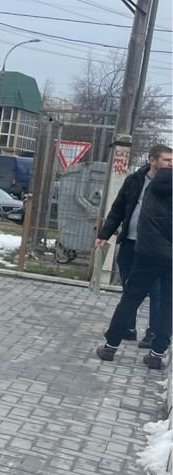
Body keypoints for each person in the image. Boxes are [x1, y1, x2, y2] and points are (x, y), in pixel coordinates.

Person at [96, 144, 173, 347]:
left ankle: (153, 334)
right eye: (167, 160)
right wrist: (105, 233)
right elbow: (119, 207)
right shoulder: (135, 180)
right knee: (130, 288)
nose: (170, 164)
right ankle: (127, 328)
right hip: (131, 242)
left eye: (172, 161)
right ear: (152, 160)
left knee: (157, 294)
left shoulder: (169, 184)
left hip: (155, 249)